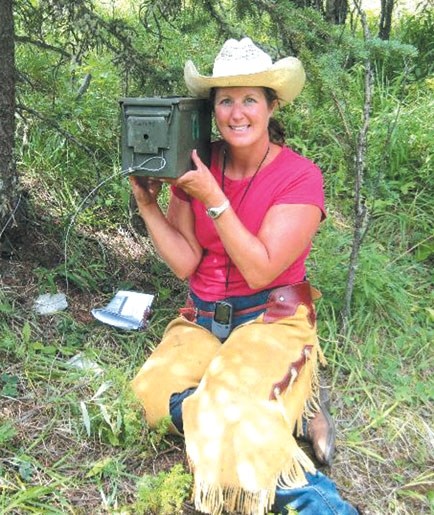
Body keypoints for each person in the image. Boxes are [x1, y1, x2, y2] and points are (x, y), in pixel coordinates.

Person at [130, 37, 358, 515]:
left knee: (227, 408)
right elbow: (186, 263)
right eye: (225, 100)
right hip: (202, 317)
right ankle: (266, 409)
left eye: (250, 98)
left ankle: (320, 504)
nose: (237, 112)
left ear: (272, 106)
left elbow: (259, 268)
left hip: (269, 319)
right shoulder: (196, 161)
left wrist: (214, 198)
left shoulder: (300, 177)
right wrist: (149, 205)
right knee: (149, 396)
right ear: (212, 108)